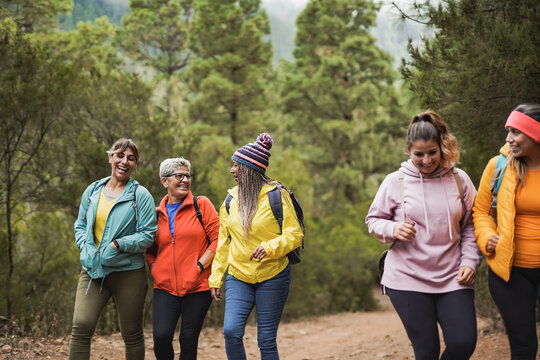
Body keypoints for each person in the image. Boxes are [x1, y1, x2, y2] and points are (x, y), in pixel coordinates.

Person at [365, 111, 482, 360]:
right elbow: (373, 221)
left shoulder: (460, 180)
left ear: (442, 147)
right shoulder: (394, 182)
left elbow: (472, 225)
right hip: (407, 278)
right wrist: (393, 229)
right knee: (426, 351)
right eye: (419, 154)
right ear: (408, 150)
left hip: (453, 276)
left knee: (463, 342)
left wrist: (470, 261)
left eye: (432, 152)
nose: (427, 160)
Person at [208, 133, 303, 360]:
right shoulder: (230, 200)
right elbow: (223, 243)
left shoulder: (276, 196)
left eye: (236, 166)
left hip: (273, 275)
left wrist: (270, 247)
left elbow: (295, 234)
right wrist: (216, 277)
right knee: (231, 332)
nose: (232, 171)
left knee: (266, 340)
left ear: (250, 169)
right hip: (238, 275)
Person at [69, 138, 157, 360]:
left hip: (128, 273)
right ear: (110, 157)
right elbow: (80, 225)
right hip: (92, 270)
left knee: (132, 333)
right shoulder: (93, 190)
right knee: (81, 326)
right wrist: (85, 247)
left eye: (131, 158)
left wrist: (119, 244)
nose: (124, 161)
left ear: (135, 164)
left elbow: (148, 234)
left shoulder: (141, 195)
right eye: (119, 155)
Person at [473, 104, 540, 359]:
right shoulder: (499, 166)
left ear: (535, 134)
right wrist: (486, 236)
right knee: (523, 346)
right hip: (509, 273)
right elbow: (480, 211)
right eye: (507, 131)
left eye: (515, 132)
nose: (507, 139)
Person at [146, 157, 220, 360]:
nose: (185, 180)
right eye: (179, 176)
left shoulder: (201, 205)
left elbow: (218, 239)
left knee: (188, 339)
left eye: (188, 176)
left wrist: (199, 265)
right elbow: (150, 249)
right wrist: (154, 267)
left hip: (198, 286)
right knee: (161, 337)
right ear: (165, 181)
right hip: (165, 286)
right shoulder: (155, 213)